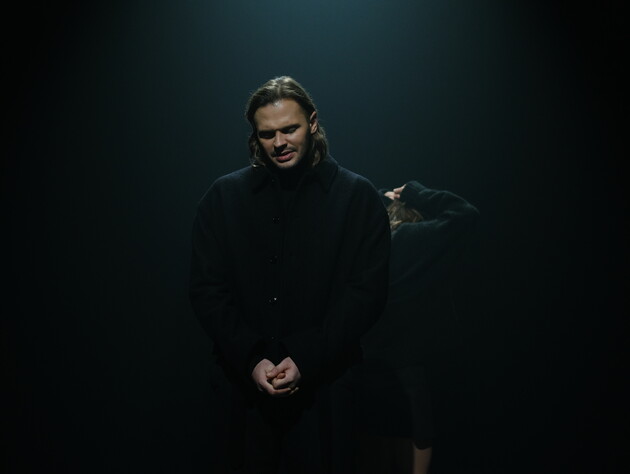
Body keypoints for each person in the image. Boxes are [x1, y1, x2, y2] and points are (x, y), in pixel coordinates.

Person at [189, 76, 390, 473]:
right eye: (267, 134)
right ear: (255, 136)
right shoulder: (223, 198)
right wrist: (252, 358)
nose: (279, 142)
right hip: (242, 396)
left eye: (289, 129)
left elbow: (367, 293)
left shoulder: (356, 197)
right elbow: (207, 289)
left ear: (313, 123)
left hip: (327, 395)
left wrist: (306, 356)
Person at [358, 181, 479, 474]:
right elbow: (465, 213)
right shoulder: (422, 239)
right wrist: (415, 192)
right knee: (419, 429)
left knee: (378, 431)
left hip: (370, 359)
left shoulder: (369, 247)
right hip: (416, 360)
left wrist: (380, 197)